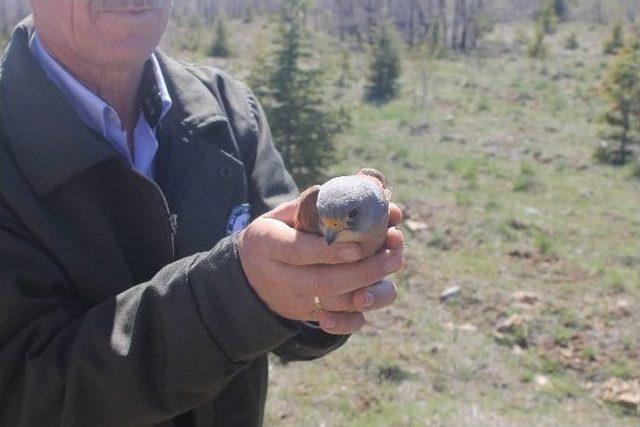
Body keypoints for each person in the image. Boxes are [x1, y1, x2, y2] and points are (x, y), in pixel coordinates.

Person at [0, 1, 405, 426]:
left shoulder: (228, 109)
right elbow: (23, 395)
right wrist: (239, 294)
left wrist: (320, 295)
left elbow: (294, 309)